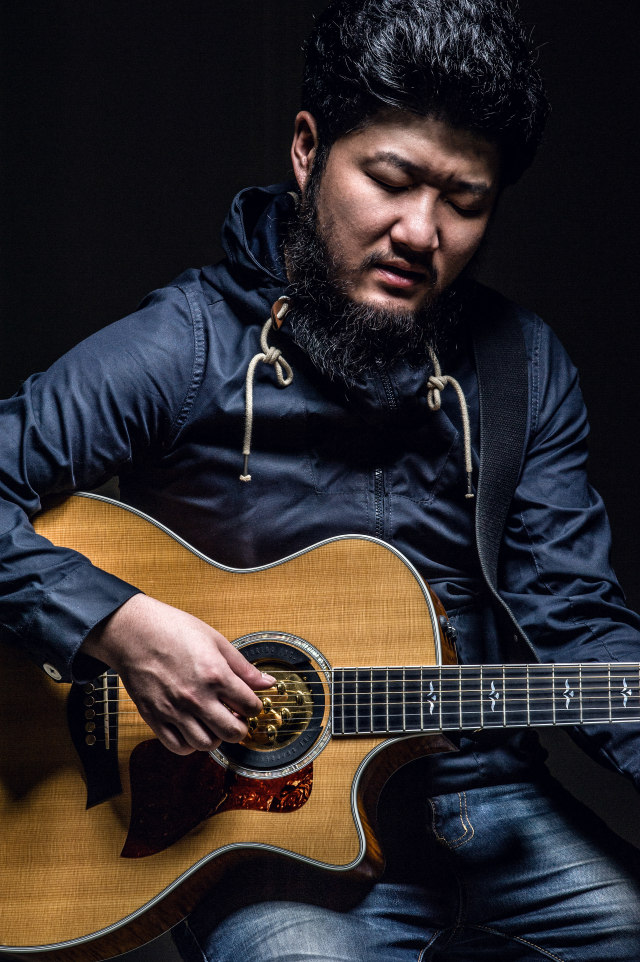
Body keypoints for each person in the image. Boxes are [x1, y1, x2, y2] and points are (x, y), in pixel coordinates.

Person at [2, 0, 640, 959]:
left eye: (464, 201)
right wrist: (116, 624)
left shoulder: (523, 365)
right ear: (308, 151)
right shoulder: (186, 347)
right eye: (389, 180)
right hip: (255, 826)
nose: (420, 231)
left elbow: (577, 622)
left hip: (491, 799)